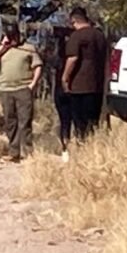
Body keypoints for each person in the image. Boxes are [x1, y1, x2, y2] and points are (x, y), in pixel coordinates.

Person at [0, 23, 43, 162]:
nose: (12, 39)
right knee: (10, 121)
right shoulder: (2, 49)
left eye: (14, 36)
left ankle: (28, 153)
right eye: (10, 36)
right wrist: (2, 48)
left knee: (25, 121)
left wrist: (33, 84)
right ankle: (14, 152)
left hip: (23, 88)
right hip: (6, 89)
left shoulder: (29, 48)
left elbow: (38, 66)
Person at [63, 6, 108, 141]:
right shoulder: (100, 36)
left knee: (80, 123)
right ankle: (91, 146)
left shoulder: (77, 36)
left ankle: (81, 145)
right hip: (97, 85)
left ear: (74, 20)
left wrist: (65, 77)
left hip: (79, 87)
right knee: (93, 122)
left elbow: (73, 58)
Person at [52, 26, 74, 162]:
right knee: (70, 121)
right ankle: (67, 148)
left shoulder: (58, 59)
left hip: (61, 91)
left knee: (64, 122)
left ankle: (65, 149)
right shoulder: (72, 58)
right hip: (69, 91)